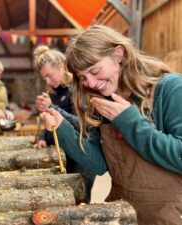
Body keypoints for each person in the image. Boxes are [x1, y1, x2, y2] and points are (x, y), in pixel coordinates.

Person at [40, 25, 182, 225]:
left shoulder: (170, 88)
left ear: (118, 54)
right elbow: (98, 164)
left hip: (170, 216)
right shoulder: (103, 102)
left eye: (94, 71)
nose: (90, 83)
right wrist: (62, 127)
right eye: (82, 77)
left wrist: (130, 122)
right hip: (125, 215)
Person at [32, 45, 96, 204]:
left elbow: (82, 125)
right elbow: (49, 121)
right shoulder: (54, 92)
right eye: (44, 78)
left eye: (49, 75)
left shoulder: (78, 89)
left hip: (82, 156)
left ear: (61, 66)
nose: (47, 81)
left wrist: (52, 107)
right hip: (65, 154)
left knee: (80, 203)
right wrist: (42, 137)